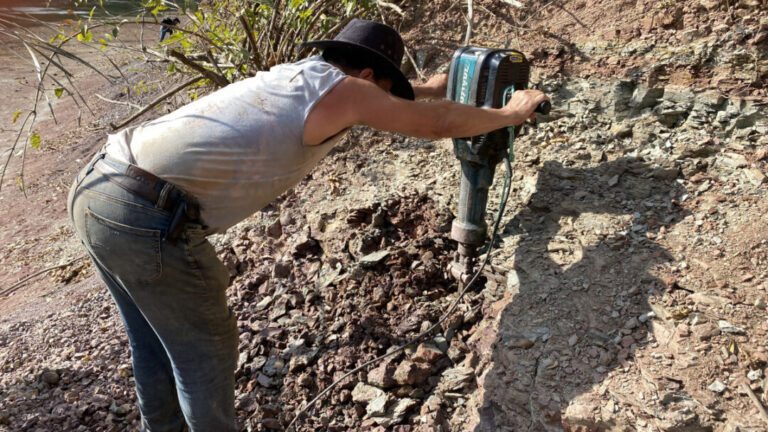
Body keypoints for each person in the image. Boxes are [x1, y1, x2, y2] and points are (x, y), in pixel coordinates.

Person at [67, 19, 549, 432]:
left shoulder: (298, 76)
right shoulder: (350, 92)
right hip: (144, 214)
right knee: (204, 354)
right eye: (384, 87)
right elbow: (435, 121)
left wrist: (437, 83)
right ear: (366, 75)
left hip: (98, 188)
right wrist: (510, 113)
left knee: (152, 341)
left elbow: (395, 101)